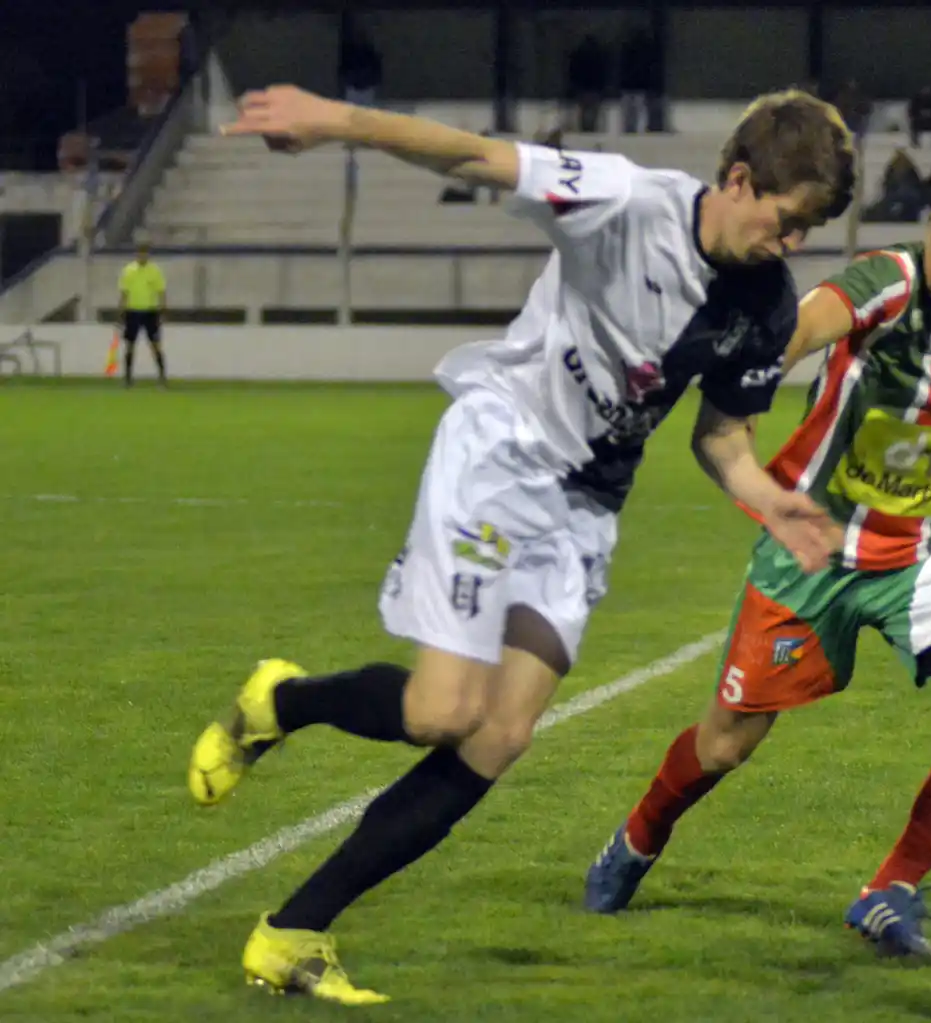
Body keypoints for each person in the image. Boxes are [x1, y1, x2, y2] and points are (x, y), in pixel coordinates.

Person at [186, 84, 855, 1004]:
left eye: (808, 228)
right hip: (502, 453)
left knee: (500, 734)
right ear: (739, 179)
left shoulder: (766, 305)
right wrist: (336, 122)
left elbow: (722, 436)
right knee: (441, 712)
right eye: (788, 220)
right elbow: (474, 155)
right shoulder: (624, 201)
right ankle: (283, 701)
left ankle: (291, 931)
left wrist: (770, 498)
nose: (794, 243)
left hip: (586, 505)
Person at [584, 167, 931, 958]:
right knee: (725, 745)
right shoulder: (890, 284)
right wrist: (739, 375)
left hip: (923, 549)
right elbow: (804, 325)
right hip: (811, 549)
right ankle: (637, 838)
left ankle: (888, 888)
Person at [116, 242, 167, 387]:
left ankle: (162, 377)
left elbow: (161, 291)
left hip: (150, 311)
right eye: (140, 254)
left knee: (155, 345)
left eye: (145, 254)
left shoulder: (154, 271)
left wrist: (163, 310)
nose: (142, 256)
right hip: (132, 310)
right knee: (130, 345)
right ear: (136, 255)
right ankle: (128, 378)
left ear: (148, 255)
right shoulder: (129, 270)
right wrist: (121, 311)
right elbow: (124, 292)